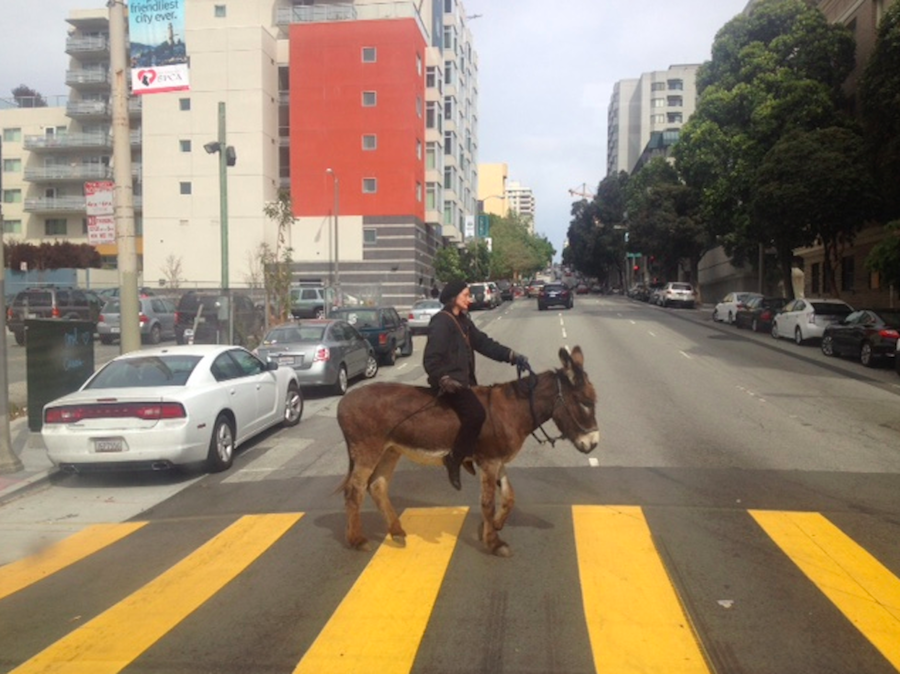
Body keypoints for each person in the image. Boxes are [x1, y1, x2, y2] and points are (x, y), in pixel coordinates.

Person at [423, 279, 528, 490]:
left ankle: (474, 454)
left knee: (491, 411)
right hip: (449, 384)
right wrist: (443, 379)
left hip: (465, 383)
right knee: (476, 414)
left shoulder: (463, 321)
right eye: (465, 295)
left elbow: (484, 344)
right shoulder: (441, 322)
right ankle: (454, 459)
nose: (469, 299)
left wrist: (512, 356)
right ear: (454, 298)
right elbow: (430, 360)